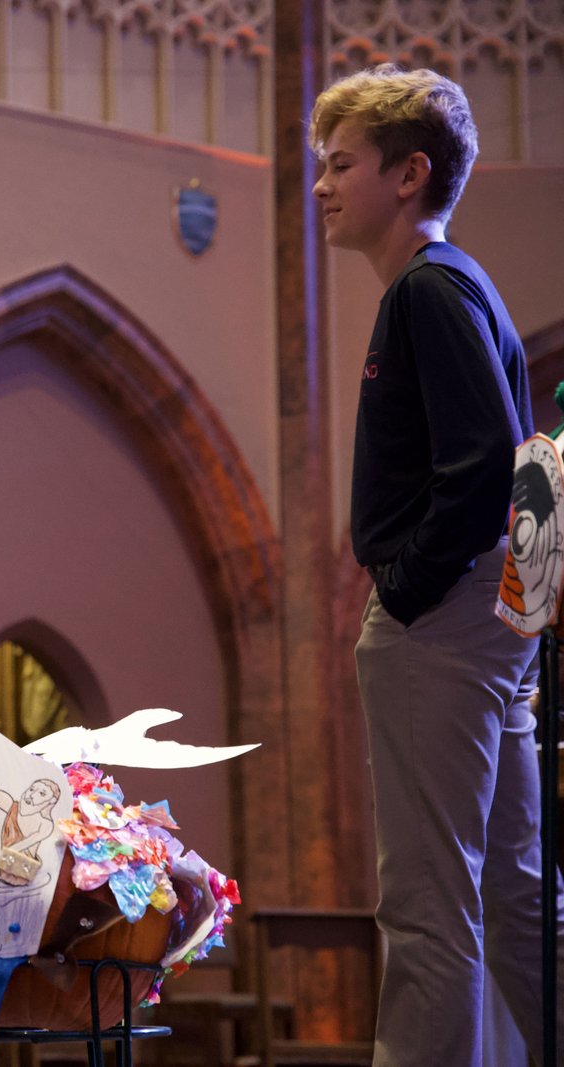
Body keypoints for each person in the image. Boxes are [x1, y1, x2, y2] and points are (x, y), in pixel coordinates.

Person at [312, 65, 564, 1065]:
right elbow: (530, 469)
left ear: (408, 173)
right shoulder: (463, 285)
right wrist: (513, 605)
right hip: (487, 615)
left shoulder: (426, 287)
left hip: (442, 619)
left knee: (426, 900)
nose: (322, 185)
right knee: (513, 890)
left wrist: (405, 589)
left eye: (339, 164)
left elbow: (490, 465)